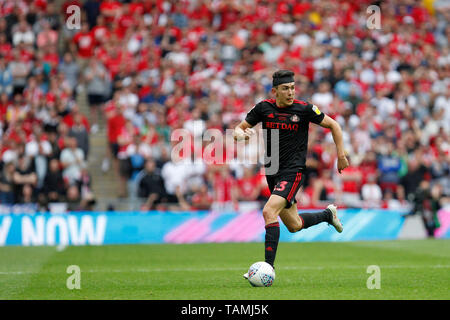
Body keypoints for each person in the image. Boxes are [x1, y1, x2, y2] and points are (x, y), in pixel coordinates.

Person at [233, 70, 349, 278]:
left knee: (269, 212)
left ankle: (268, 269)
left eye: (293, 87)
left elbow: (334, 125)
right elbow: (238, 130)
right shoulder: (263, 108)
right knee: (294, 225)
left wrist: (340, 155)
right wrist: (243, 136)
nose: (290, 92)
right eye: (285, 88)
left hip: (292, 171)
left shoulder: (304, 109)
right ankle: (327, 215)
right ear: (274, 91)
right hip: (272, 171)